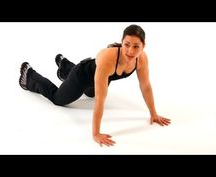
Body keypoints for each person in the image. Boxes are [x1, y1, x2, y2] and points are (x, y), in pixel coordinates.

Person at [19, 24, 171, 147]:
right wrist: (96, 134)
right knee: (58, 99)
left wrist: (153, 113)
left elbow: (145, 86)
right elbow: (100, 99)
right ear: (122, 42)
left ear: (143, 46)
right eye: (127, 45)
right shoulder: (108, 59)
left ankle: (64, 66)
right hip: (81, 76)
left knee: (90, 94)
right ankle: (30, 76)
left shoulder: (142, 59)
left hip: (98, 78)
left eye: (136, 46)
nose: (131, 51)